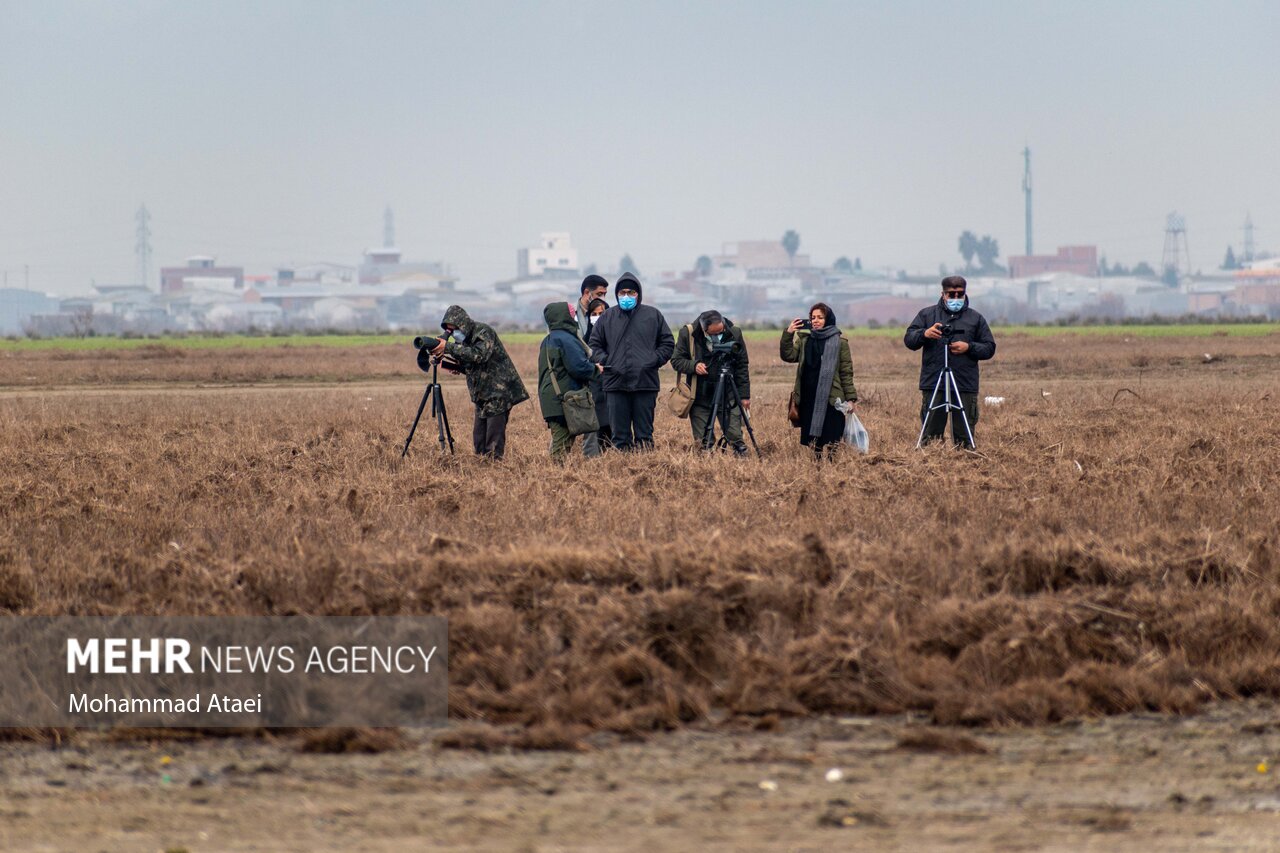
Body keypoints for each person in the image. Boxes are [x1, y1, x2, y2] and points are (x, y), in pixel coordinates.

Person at [904, 276, 996, 448]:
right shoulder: (927, 315)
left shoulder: (975, 318)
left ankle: (964, 467)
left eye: (959, 294)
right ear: (943, 294)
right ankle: (930, 464)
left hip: (964, 383)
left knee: (964, 437)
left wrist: (969, 347)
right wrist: (924, 334)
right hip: (934, 383)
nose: (955, 298)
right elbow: (909, 340)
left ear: (965, 293)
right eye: (951, 294)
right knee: (930, 435)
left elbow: (989, 347)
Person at [428, 305, 529, 460]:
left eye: (454, 329)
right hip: (482, 395)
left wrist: (447, 347)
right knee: (479, 443)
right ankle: (481, 473)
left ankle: (495, 474)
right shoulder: (465, 341)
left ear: (463, 324)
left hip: (498, 393)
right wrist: (457, 366)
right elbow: (475, 365)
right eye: (449, 331)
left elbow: (479, 355)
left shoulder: (483, 332)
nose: (453, 333)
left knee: (493, 445)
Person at [588, 271, 674, 451]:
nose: (626, 296)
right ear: (617, 294)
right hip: (615, 384)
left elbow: (667, 343)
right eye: (622, 293)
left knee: (644, 435)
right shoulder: (607, 317)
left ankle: (645, 470)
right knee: (620, 436)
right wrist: (608, 361)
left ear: (638, 294)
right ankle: (622, 472)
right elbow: (594, 346)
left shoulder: (653, 315)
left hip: (645, 383)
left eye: (631, 293)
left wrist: (652, 360)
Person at [781, 302, 858, 456]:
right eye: (813, 317)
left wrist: (851, 398)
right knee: (813, 436)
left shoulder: (840, 343)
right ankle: (816, 463)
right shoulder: (805, 340)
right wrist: (789, 333)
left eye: (820, 317)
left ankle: (831, 462)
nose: (815, 320)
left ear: (828, 319)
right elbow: (788, 356)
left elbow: (846, 372)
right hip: (809, 394)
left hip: (831, 397)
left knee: (832, 434)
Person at [670, 309, 750, 455]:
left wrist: (744, 396)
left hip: (728, 394)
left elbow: (742, 365)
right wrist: (694, 366)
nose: (717, 337)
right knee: (703, 442)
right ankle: (706, 468)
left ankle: (743, 460)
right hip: (700, 395)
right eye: (713, 334)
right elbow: (676, 361)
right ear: (703, 328)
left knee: (735, 436)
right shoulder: (688, 334)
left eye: (721, 332)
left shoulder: (734, 332)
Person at [537, 301, 603, 460]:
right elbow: (578, 367)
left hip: (552, 397)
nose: (574, 317)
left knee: (563, 437)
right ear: (564, 316)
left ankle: (556, 474)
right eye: (572, 313)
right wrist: (595, 369)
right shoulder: (567, 339)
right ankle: (555, 477)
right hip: (563, 398)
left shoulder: (549, 339)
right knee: (561, 443)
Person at [585, 298, 612, 450]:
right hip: (595, 386)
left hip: (613, 383)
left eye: (601, 313)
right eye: (594, 314)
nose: (597, 317)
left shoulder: (615, 334)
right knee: (599, 425)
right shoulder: (586, 337)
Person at [576, 274, 609, 340]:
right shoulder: (571, 315)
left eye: (604, 294)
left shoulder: (607, 313)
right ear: (587, 292)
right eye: (599, 294)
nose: (602, 298)